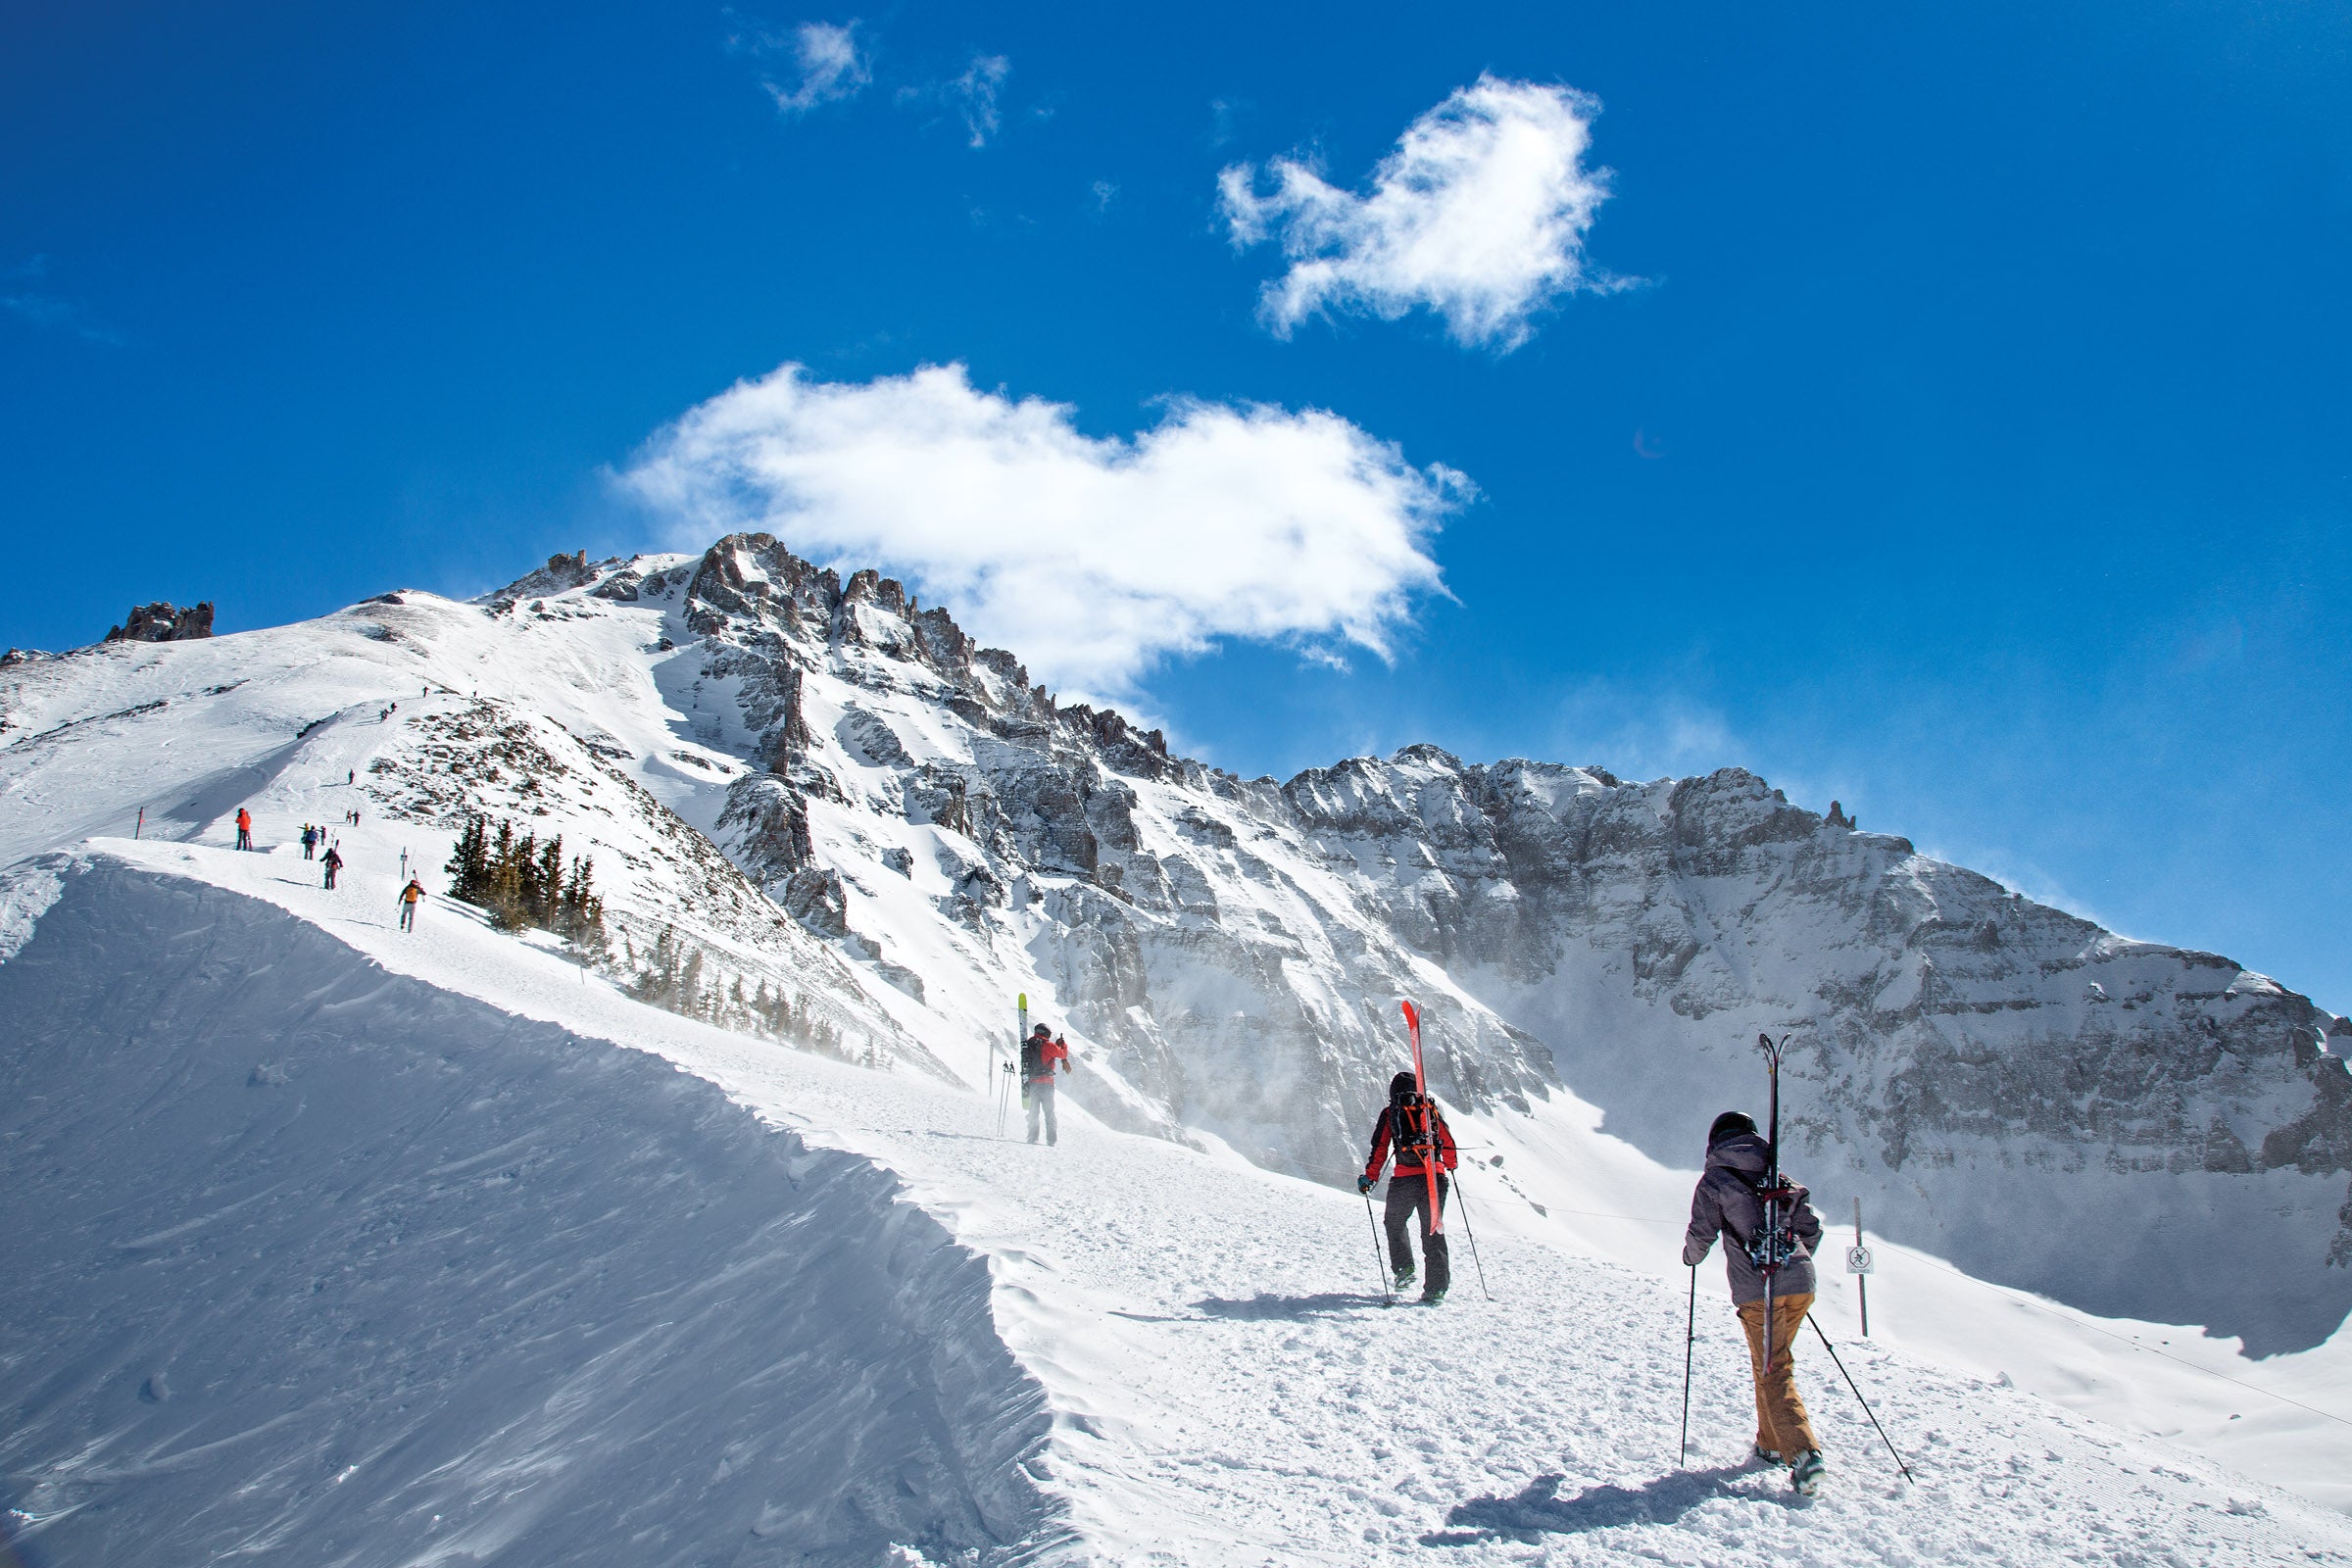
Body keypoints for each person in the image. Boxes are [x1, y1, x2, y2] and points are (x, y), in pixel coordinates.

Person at [1684, 1110, 1828, 1494]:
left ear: (1715, 1143)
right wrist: (1791, 1264)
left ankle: (1803, 1454)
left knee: (1774, 1367)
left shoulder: (1715, 1181)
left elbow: (1701, 1235)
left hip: (1757, 1291)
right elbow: (1810, 1230)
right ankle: (1770, 1444)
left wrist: (1690, 1257)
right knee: (1769, 1361)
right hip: (1800, 1283)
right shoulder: (1777, 1175)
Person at [1357, 1071, 1458, 1304]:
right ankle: (1436, 1289)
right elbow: (1448, 1142)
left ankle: (1404, 1268)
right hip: (1436, 1177)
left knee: (1394, 1222)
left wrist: (1369, 1178)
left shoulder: (1391, 1112)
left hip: (1405, 1179)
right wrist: (1450, 1165)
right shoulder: (1429, 1110)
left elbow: (1380, 1148)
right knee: (1433, 1231)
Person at [1020, 1022, 1071, 1145]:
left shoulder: (1028, 1044)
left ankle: (1032, 1137)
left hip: (1032, 1083)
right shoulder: (1048, 1045)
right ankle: (1051, 1139)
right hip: (1046, 1084)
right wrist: (1062, 1044)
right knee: (1049, 1112)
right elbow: (1062, 1054)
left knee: (1033, 1112)